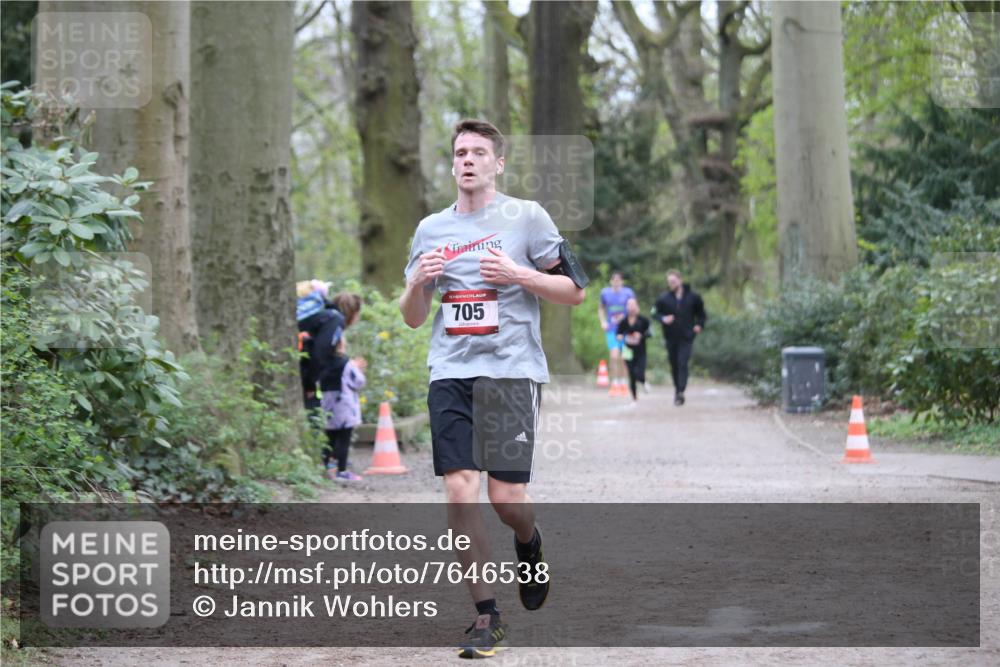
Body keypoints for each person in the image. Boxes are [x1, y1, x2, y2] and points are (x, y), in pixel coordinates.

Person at [399, 119, 588, 659]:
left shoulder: (527, 218)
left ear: (497, 163)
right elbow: (413, 318)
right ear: (452, 163)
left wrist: (518, 275)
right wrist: (417, 284)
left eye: (479, 152)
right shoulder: (430, 229)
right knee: (460, 489)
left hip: (510, 371)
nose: (468, 160)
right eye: (460, 152)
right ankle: (487, 616)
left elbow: (574, 290)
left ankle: (528, 542)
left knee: (506, 501)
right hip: (451, 372)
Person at [654, 269, 706, 406]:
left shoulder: (693, 297)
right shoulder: (663, 298)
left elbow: (701, 314)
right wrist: (663, 318)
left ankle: (681, 391)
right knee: (674, 364)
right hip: (671, 337)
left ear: (680, 280)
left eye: (673, 281)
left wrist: (699, 325)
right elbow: (654, 313)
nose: (671, 284)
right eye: (669, 282)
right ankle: (677, 390)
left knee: (682, 362)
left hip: (687, 336)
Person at [320, 336, 367, 482]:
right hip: (344, 404)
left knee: (330, 438)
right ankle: (341, 471)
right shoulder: (346, 363)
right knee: (344, 439)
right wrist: (357, 367)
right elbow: (359, 381)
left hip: (327, 404)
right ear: (341, 345)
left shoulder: (322, 362)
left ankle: (327, 468)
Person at [598, 271, 635, 397]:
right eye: (614, 280)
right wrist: (603, 322)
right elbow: (601, 308)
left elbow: (634, 309)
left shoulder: (628, 293)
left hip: (626, 330)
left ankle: (624, 384)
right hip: (612, 330)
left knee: (624, 357)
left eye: (619, 280)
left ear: (622, 282)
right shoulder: (605, 293)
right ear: (611, 281)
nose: (616, 282)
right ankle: (614, 384)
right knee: (614, 356)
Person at [615, 297, 651, 402]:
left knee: (639, 372)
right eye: (629, 305)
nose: (631, 307)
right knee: (631, 373)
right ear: (626, 307)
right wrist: (620, 336)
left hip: (640, 350)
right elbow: (618, 333)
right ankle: (634, 397)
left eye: (633, 305)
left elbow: (650, 333)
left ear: (637, 306)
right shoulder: (623, 321)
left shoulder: (643, 320)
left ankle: (643, 381)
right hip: (627, 350)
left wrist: (641, 335)